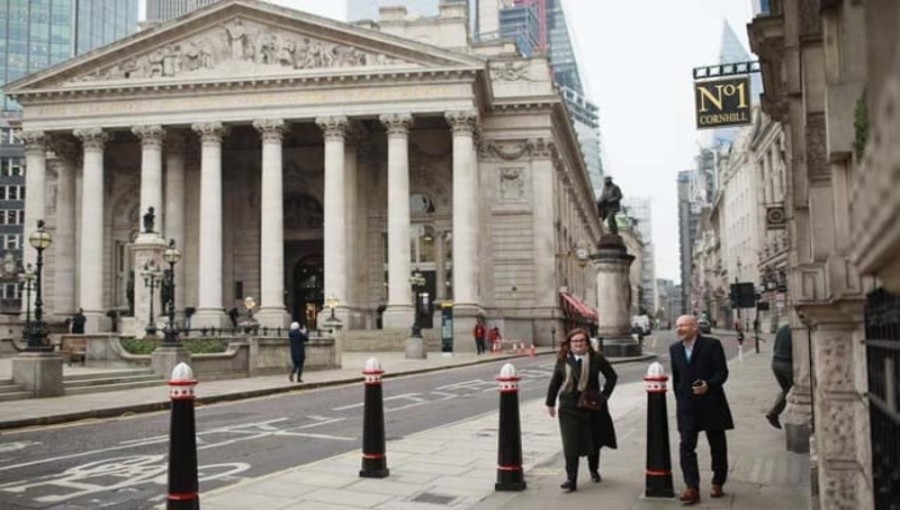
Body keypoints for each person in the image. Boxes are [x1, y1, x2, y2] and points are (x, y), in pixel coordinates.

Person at [669, 315, 734, 505]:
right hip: (687, 406)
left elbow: (722, 373)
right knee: (686, 446)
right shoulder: (675, 349)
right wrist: (681, 399)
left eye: (683, 325)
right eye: (677, 325)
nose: (679, 329)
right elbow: (677, 378)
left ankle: (718, 481)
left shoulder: (712, 345)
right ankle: (692, 487)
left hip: (711, 402)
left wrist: (709, 385)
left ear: (695, 327)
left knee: (717, 445)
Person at [545, 328, 618, 493]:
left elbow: (612, 377)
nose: (578, 344)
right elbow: (555, 381)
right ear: (569, 344)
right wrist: (550, 403)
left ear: (587, 343)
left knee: (593, 441)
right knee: (571, 444)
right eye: (575, 341)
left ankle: (594, 470)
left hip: (592, 405)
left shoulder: (596, 358)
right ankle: (571, 479)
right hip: (569, 407)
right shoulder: (563, 359)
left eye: (581, 341)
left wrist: (604, 396)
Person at [766, 324, 793, 429]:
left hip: (776, 362)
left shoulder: (782, 329)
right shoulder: (798, 330)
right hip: (788, 363)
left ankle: (773, 413)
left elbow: (775, 347)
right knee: (798, 389)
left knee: (787, 389)